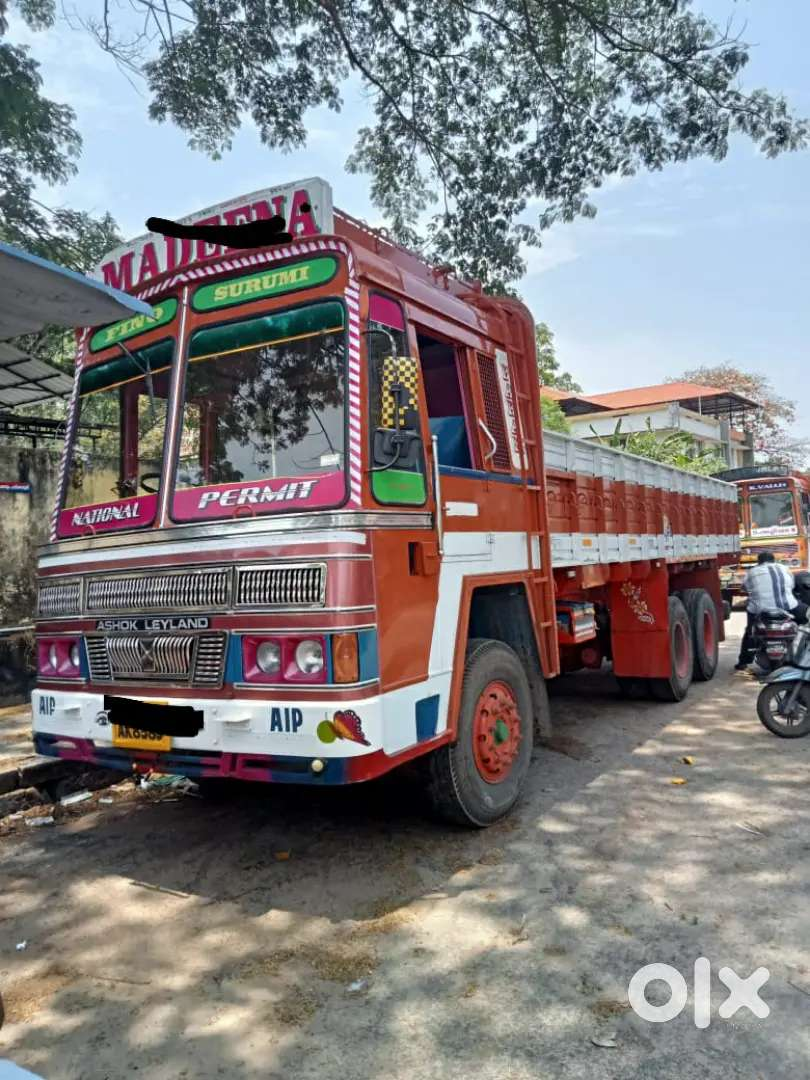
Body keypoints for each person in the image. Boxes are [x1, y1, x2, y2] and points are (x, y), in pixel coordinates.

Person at [735, 551, 808, 669]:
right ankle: (803, 653)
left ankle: (743, 662)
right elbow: (792, 585)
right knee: (806, 620)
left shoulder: (752, 572)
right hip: (789, 607)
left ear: (759, 562)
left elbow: (744, 588)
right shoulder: (785, 569)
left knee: (750, 632)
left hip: (761, 609)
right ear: (774, 560)